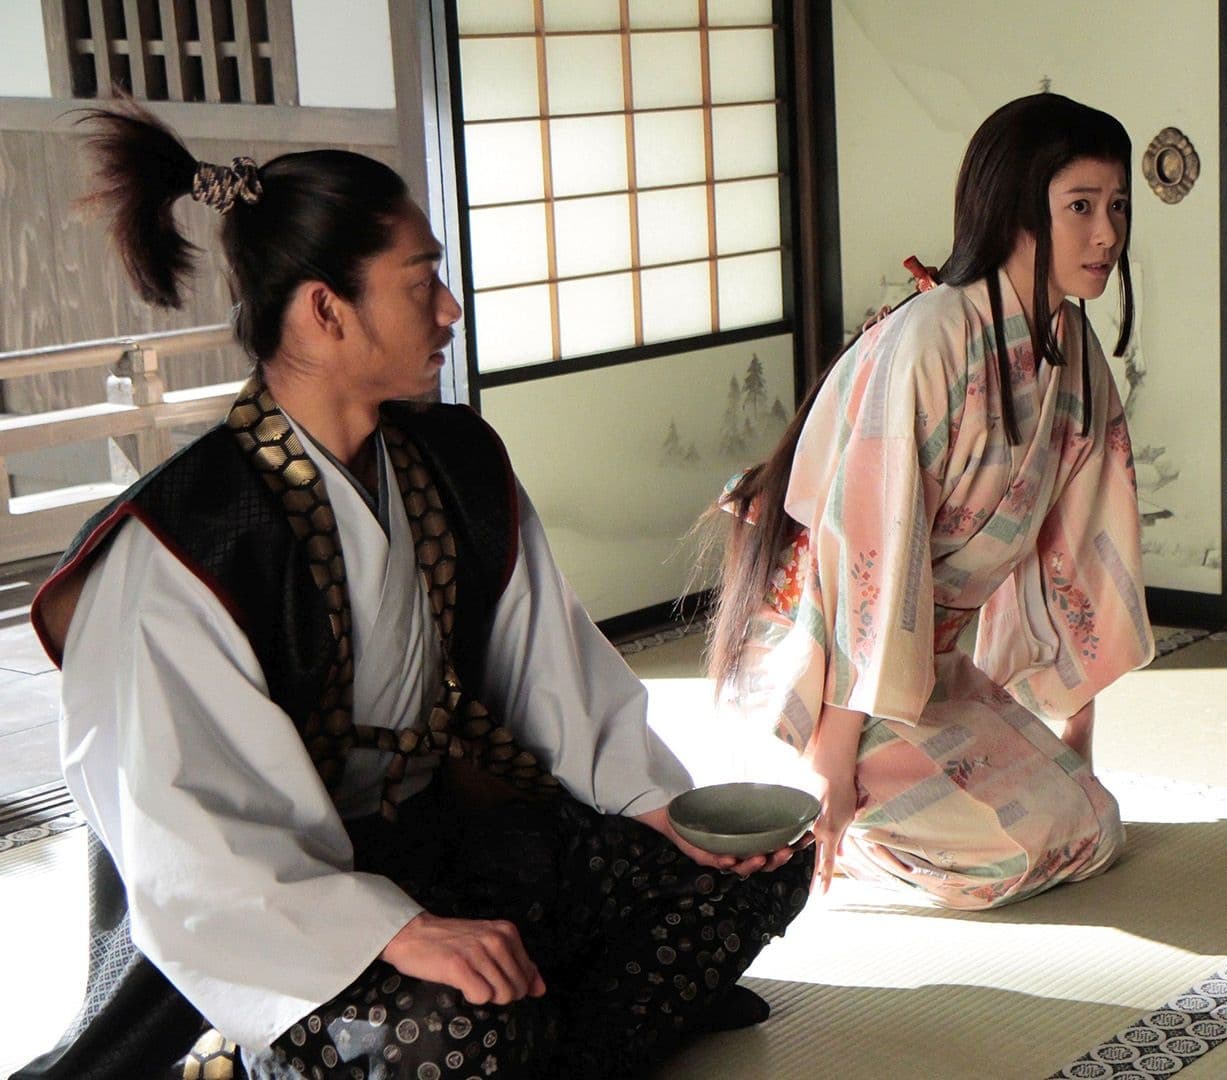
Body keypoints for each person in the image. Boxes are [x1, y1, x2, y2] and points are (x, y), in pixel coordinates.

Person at [20, 99, 809, 1080]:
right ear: (325, 310)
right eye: (420, 280)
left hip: (450, 846)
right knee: (464, 1032)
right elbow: (186, 843)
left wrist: (656, 805)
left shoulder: (454, 460)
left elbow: (551, 675)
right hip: (285, 919)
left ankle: (537, 1043)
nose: (449, 308)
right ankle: (255, 1052)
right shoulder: (185, 542)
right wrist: (392, 930)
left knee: (754, 870)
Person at [704, 93, 1155, 910]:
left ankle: (882, 794)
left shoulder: (1071, 347)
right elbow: (868, 555)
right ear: (1016, 212)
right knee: (1005, 860)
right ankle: (815, 803)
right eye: (1081, 207)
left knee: (1091, 826)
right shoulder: (932, 338)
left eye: (1117, 206)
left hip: (922, 663)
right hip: (823, 657)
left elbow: (1079, 549)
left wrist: (1074, 739)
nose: (1107, 234)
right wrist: (832, 760)